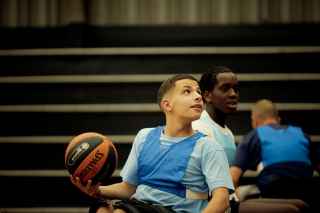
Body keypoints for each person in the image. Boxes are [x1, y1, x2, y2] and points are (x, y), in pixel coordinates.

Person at [71, 74, 234, 213]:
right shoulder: (144, 136)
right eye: (187, 91)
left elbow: (221, 200)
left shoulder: (208, 146)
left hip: (174, 210)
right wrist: (97, 190)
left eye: (198, 91)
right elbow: (129, 188)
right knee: (100, 207)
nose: (198, 96)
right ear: (167, 105)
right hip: (140, 206)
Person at [230, 99, 319, 210]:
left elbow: (232, 178)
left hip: (272, 195)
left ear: (255, 121)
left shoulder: (254, 135)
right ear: (278, 119)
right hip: (306, 195)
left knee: (240, 193)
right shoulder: (302, 134)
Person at [192, 66, 239, 166]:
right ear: (207, 96)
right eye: (225, 88)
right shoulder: (199, 129)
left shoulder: (228, 133)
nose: (233, 94)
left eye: (235, 89)